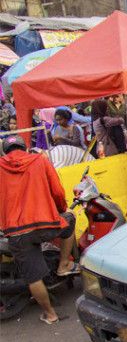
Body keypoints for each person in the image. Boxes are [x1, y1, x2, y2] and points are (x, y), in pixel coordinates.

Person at [0, 136, 78, 324]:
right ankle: (64, 264)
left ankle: (50, 314)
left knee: (33, 277)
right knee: (69, 220)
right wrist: (61, 209)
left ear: (5, 150)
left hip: (16, 231)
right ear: (25, 147)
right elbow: (58, 192)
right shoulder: (40, 160)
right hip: (46, 225)